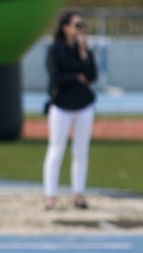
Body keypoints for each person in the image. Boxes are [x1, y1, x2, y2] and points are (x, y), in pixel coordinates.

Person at [42, 10, 98, 211]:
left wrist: (84, 55)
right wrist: (76, 77)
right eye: (77, 25)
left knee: (81, 151)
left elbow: (92, 76)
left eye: (82, 25)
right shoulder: (55, 50)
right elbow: (56, 76)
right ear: (65, 27)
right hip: (62, 105)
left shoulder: (83, 51)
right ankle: (50, 196)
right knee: (56, 149)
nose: (80, 29)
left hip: (84, 105)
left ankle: (78, 195)